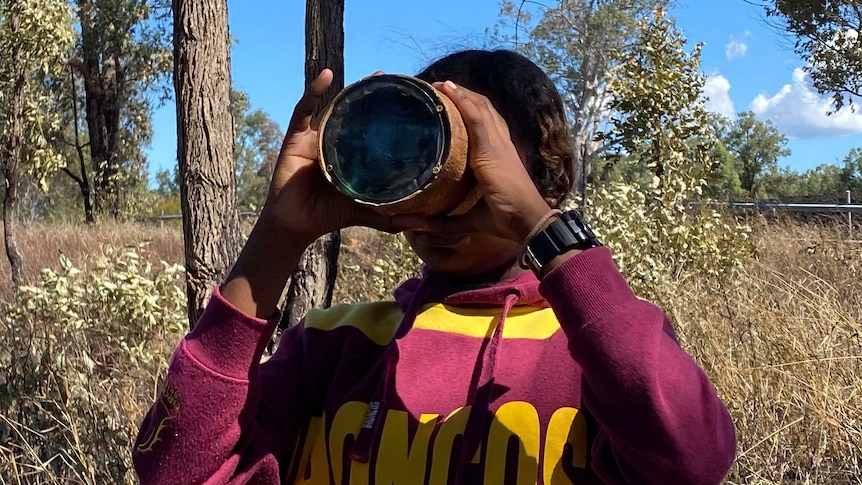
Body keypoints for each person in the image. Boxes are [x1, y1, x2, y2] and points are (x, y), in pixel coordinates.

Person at [132, 50, 736, 485]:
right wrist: (276, 238)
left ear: (545, 182)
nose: (448, 200)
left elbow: (692, 459)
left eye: (484, 169)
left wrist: (542, 227)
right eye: (418, 163)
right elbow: (177, 471)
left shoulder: (597, 345)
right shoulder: (334, 344)